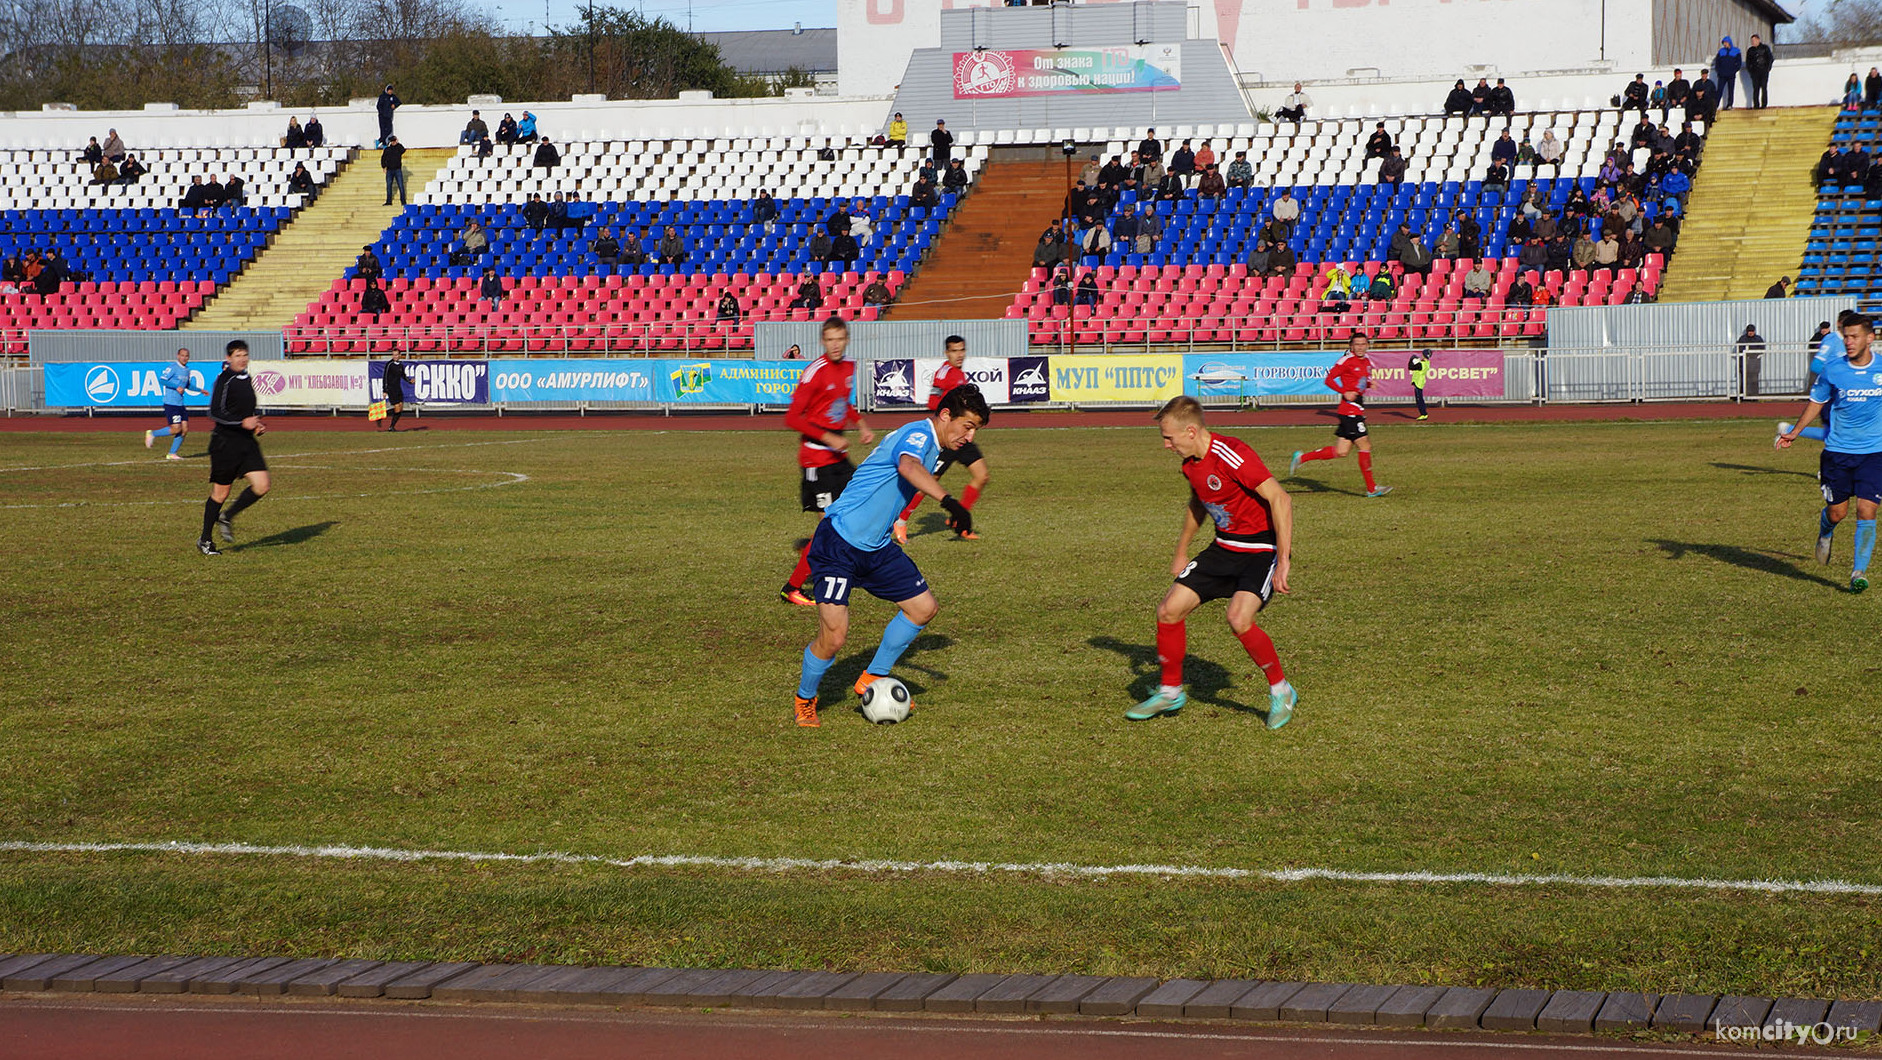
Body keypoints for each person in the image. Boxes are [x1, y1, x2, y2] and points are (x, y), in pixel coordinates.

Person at [792, 382, 989, 727]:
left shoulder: (934, 446)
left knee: (923, 608)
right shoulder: (919, 434)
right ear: (946, 416)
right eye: (967, 426)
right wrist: (949, 501)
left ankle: (872, 677)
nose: (969, 437)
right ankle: (805, 698)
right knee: (834, 637)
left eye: (975, 429)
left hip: (877, 547)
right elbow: (908, 468)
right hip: (839, 542)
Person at [1128, 395, 1296, 726]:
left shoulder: (1232, 454)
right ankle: (1171, 691)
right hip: (1223, 548)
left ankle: (1281, 690)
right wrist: (1181, 550)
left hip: (1259, 552)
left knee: (1238, 619)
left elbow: (1281, 498)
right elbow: (1199, 504)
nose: (1166, 445)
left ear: (1190, 431)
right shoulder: (1190, 465)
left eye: (1169, 438)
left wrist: (1283, 559)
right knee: (1168, 610)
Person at [1777, 314, 1882, 592]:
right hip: (1838, 453)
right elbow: (1816, 402)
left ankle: (1858, 572)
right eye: (1845, 336)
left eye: (1854, 336)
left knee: (1866, 509)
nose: (1848, 341)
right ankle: (1825, 532)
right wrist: (1795, 432)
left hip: (1874, 453)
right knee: (1837, 513)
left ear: (1870, 338)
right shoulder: (1834, 370)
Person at [780, 316, 876, 608]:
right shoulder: (814, 372)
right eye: (830, 340)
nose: (835, 345)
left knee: (859, 506)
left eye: (840, 339)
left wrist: (860, 423)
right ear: (823, 341)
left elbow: (841, 401)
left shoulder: (848, 367)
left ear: (846, 340)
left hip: (838, 457)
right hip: (816, 459)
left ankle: (813, 552)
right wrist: (829, 437)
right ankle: (792, 587)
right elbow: (792, 417)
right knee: (829, 526)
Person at [895, 335, 990, 544]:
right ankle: (901, 520)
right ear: (947, 353)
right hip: (947, 436)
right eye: (955, 351)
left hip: (962, 437)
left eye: (962, 350)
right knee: (929, 482)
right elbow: (932, 402)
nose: (960, 355)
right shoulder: (944, 373)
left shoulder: (960, 375)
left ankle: (960, 521)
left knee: (982, 475)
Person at [1289, 332, 1391, 498]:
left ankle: (1301, 458)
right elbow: (1329, 379)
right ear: (1351, 346)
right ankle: (1372, 488)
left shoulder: (1367, 362)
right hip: (1349, 410)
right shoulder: (1346, 361)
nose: (1360, 347)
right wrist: (1345, 392)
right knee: (1365, 446)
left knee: (1341, 451)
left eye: (1363, 344)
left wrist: (1370, 383)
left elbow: (1360, 381)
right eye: (1356, 344)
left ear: (1367, 345)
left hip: (1356, 408)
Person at [197, 341, 269, 556]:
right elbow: (215, 412)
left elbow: (247, 410)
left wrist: (256, 424)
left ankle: (227, 516)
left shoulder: (246, 379)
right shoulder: (224, 380)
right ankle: (205, 540)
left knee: (262, 485)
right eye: (238, 355)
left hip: (246, 442)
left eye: (245, 354)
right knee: (220, 493)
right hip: (225, 444)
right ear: (229, 358)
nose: (242, 358)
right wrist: (241, 423)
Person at [143, 346, 205, 461]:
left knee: (184, 429)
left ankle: (172, 453)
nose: (184, 358)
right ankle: (152, 434)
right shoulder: (173, 367)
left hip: (180, 404)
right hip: (171, 403)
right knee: (176, 429)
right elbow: (162, 380)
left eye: (187, 356)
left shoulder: (187, 370)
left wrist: (200, 390)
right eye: (182, 355)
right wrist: (176, 386)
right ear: (178, 356)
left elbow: (187, 385)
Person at [381, 352, 410, 431]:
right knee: (397, 407)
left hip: (398, 388)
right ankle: (389, 424)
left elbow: (403, 375)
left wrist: (409, 381)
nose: (395, 356)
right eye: (393, 355)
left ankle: (391, 426)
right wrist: (385, 390)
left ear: (400, 355)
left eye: (396, 355)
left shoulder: (400, 365)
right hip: (391, 388)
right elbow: (385, 377)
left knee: (400, 408)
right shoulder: (389, 364)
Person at [1736, 323, 1767, 396]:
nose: (1751, 333)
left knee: (1754, 380)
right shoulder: (1742, 339)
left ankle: (1754, 395)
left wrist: (1753, 353)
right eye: (1749, 331)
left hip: (1754, 362)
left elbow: (1762, 349)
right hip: (1744, 362)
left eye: (1752, 331)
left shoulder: (1758, 339)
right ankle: (1743, 395)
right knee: (1744, 379)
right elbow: (1740, 349)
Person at [1746, 34, 1773, 109]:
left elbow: (1770, 58)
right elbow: (1748, 62)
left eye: (1754, 40)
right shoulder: (1750, 50)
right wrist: (1750, 71)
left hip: (1764, 71)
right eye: (1752, 41)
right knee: (1756, 88)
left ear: (1758, 40)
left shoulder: (1765, 48)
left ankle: (1764, 104)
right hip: (1754, 72)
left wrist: (1768, 68)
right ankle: (1756, 105)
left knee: (1764, 88)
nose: (1753, 42)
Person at [1715, 37, 1742, 110]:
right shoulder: (1721, 51)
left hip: (1731, 74)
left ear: (1729, 42)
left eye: (1726, 42)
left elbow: (1739, 62)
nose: (1724, 44)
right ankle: (1715, 105)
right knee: (1719, 90)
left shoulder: (1736, 51)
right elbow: (1717, 63)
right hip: (1722, 75)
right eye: (1723, 43)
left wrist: (1734, 70)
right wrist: (1719, 70)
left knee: (1731, 90)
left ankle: (1730, 104)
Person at [381, 136, 406, 206]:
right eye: (392, 141)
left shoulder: (399, 148)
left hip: (397, 169)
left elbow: (403, 150)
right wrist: (383, 167)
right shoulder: (387, 149)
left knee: (401, 185)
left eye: (394, 141)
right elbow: (383, 158)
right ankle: (389, 201)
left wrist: (398, 143)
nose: (394, 142)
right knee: (389, 186)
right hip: (389, 170)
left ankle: (403, 201)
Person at [1408, 349, 1432, 421]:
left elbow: (1410, 367)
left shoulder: (1421, 364)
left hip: (1418, 381)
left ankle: (1423, 414)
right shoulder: (1426, 363)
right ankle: (1423, 413)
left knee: (1419, 399)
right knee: (1420, 398)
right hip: (1420, 381)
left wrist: (1411, 359)